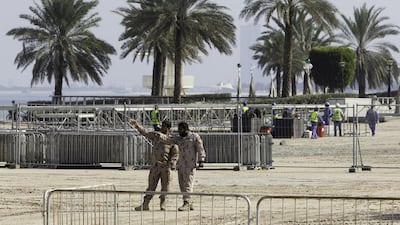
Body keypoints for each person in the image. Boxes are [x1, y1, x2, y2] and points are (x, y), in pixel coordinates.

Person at [152, 121, 206, 211]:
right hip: (180, 165)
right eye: (178, 129)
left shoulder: (194, 137)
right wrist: (159, 135)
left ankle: (186, 202)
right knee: (182, 185)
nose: (179, 131)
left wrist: (201, 160)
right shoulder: (178, 138)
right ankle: (190, 202)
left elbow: (200, 148)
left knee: (187, 184)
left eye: (181, 129)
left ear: (186, 129)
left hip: (190, 165)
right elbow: (167, 139)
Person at [129, 119, 179, 211]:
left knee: (165, 187)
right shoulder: (156, 135)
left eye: (164, 126)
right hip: (155, 166)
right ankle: (145, 204)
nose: (162, 127)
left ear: (168, 128)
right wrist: (136, 125)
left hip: (165, 167)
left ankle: (163, 203)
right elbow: (145, 133)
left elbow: (175, 153)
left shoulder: (171, 139)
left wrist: (172, 163)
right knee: (151, 186)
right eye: (162, 126)